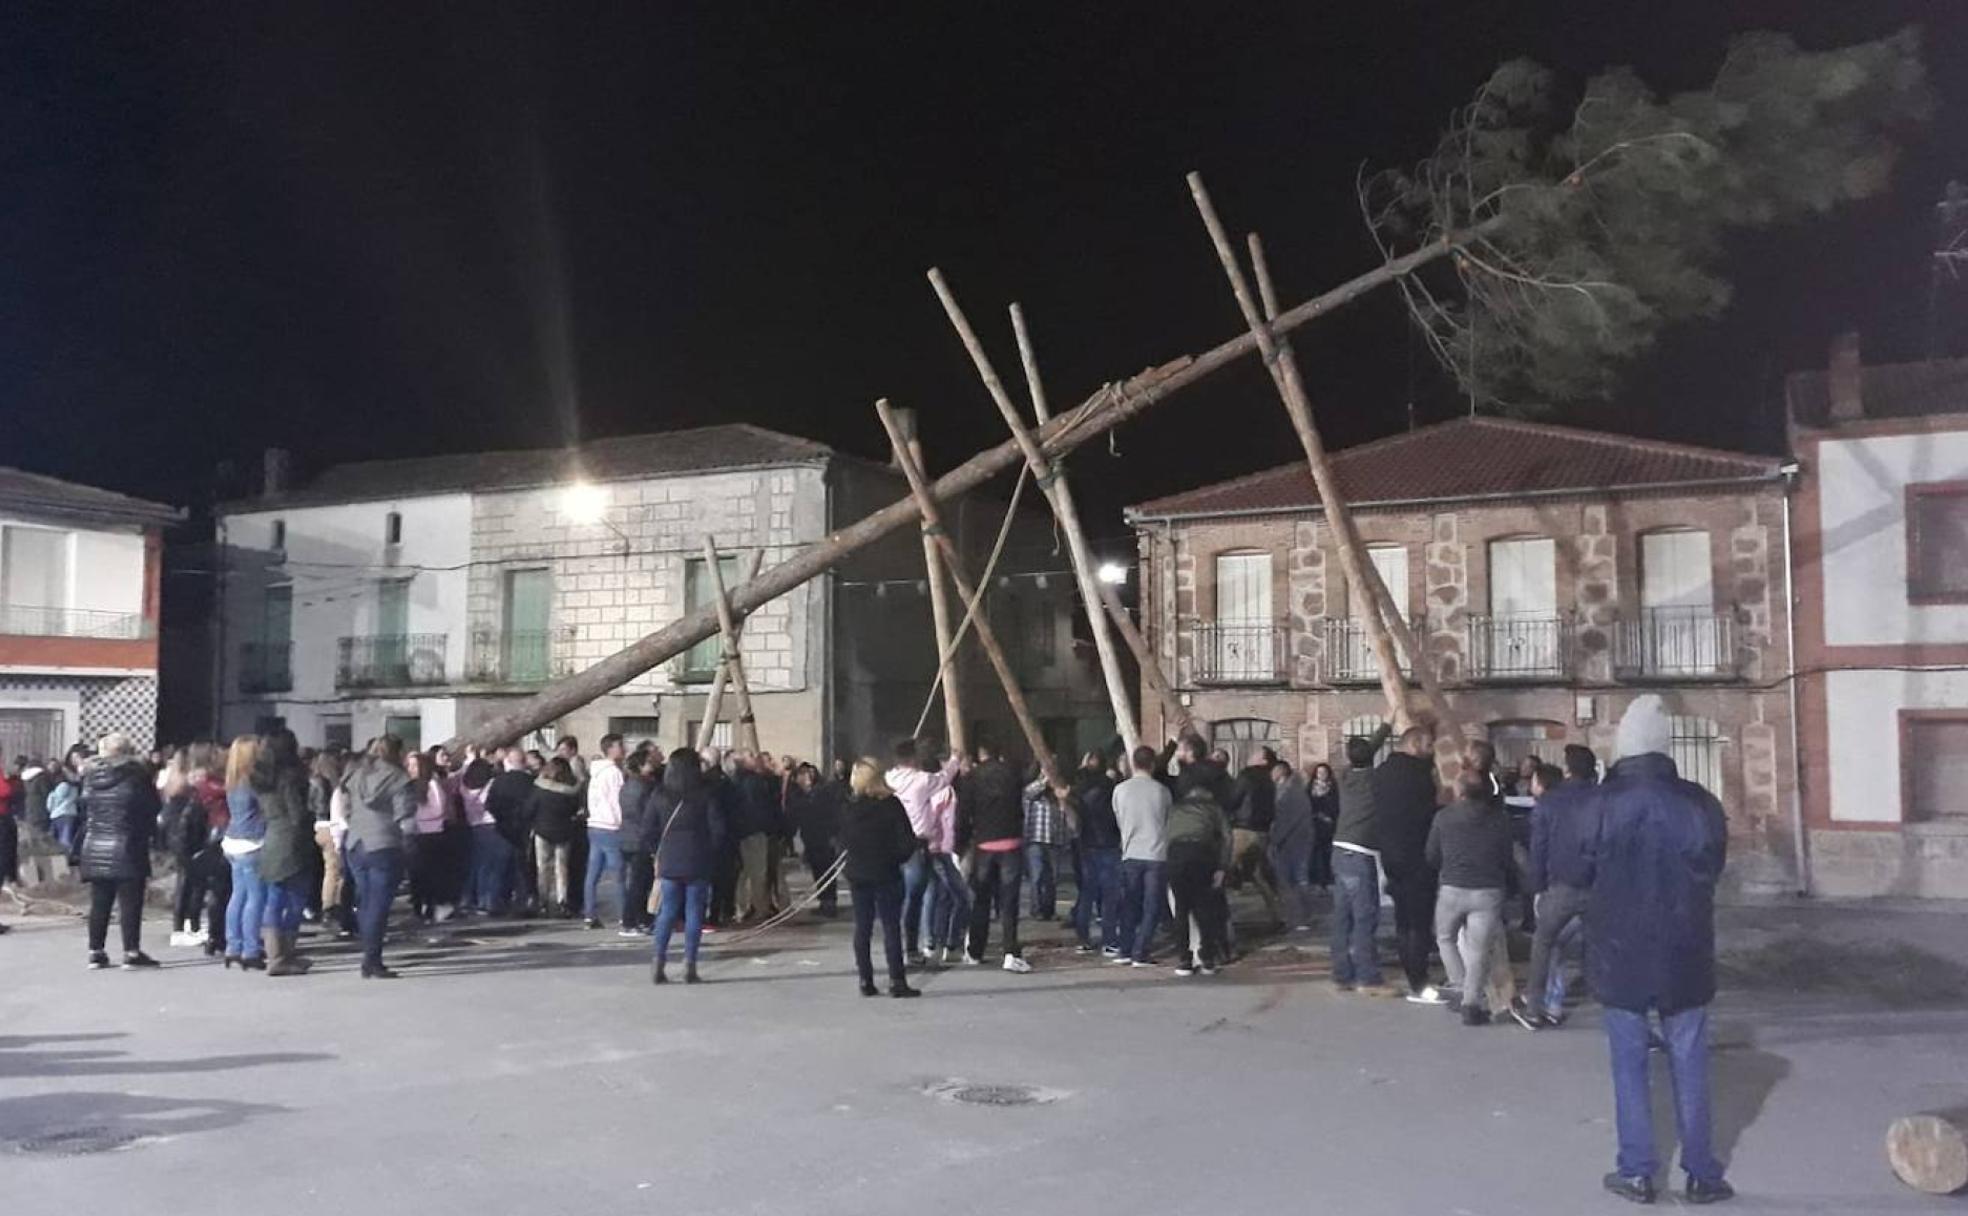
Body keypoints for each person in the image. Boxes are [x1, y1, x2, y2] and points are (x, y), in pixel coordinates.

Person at [1588, 696, 1733, 1206]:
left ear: (1623, 747)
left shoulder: (1600, 804)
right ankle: (1702, 1173)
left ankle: (1636, 1171)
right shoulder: (1700, 803)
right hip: (1685, 945)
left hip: (1619, 948)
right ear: (1665, 747)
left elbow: (1579, 871)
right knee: (1690, 1059)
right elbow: (1714, 865)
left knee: (1628, 1064)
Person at [1515, 748, 1599, 1030]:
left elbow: (1539, 849)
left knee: (1544, 942)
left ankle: (1535, 1008)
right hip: (1600, 885)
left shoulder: (1550, 803)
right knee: (1605, 945)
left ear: (1567, 770)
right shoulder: (1605, 799)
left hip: (1561, 885)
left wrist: (1536, 887)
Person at [1426, 763, 1515, 1026]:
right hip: (1488, 891)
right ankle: (1470, 1003)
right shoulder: (1500, 819)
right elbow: (1507, 857)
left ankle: (1459, 984)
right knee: (1479, 950)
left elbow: (1431, 855)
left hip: (1453, 887)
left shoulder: (1443, 817)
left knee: (1444, 938)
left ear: (1460, 792)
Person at [74, 733, 160, 969]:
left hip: (95, 843)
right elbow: (152, 806)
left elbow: (82, 809)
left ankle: (96, 951)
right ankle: (131, 952)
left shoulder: (90, 777)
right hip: (128, 843)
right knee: (130, 902)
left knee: (99, 901)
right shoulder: (136, 776)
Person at [1374, 725, 1446, 1004]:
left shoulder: (1382, 773)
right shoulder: (1419, 776)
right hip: (1418, 856)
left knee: (1403, 920)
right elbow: (1427, 813)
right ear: (1415, 744)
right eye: (1429, 745)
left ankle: (1412, 975)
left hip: (1391, 856)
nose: (1432, 751)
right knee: (1418, 921)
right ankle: (1420, 982)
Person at [838, 759, 922, 998]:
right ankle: (897, 980)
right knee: (890, 927)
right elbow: (906, 841)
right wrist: (898, 857)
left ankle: (865, 979)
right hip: (886, 872)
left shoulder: (848, 808)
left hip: (858, 873)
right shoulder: (891, 805)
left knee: (862, 927)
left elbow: (842, 841)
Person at [645, 748, 725, 985]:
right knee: (694, 912)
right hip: (698, 858)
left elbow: (648, 829)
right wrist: (710, 852)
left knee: (667, 911)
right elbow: (718, 830)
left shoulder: (659, 794)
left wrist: (656, 852)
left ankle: (658, 961)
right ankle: (690, 963)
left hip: (669, 857)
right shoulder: (705, 794)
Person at [342, 736, 417, 978]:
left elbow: (346, 808)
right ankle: (372, 959)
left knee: (365, 900)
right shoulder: (398, 778)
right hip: (384, 842)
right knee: (379, 904)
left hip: (355, 842)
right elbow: (404, 814)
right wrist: (410, 843)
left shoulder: (355, 775)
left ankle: (368, 951)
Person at [1330, 724, 1392, 991]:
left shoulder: (1345, 777)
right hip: (1360, 852)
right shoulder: (1376, 780)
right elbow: (1368, 754)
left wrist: (1385, 728)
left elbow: (1365, 754)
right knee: (1365, 916)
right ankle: (1367, 975)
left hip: (1339, 850)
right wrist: (1388, 724)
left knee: (1342, 916)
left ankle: (1342, 973)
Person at [885, 738, 959, 962]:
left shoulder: (889, 778)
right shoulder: (922, 780)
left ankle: (905, 946)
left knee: (903, 896)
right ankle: (912, 948)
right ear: (911, 758)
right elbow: (944, 778)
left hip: (894, 842)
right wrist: (956, 760)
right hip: (917, 843)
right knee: (915, 897)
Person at [959, 744, 1030, 973]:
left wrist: (960, 845)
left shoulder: (972, 778)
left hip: (984, 843)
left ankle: (975, 951)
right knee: (1009, 902)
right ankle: (1010, 951)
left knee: (981, 899)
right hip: (1011, 842)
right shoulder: (1012, 774)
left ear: (979, 755)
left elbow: (963, 814)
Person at [253, 729, 316, 976]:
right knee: (296, 898)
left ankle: (274, 954)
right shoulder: (290, 777)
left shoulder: (260, 778)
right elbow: (297, 813)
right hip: (292, 838)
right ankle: (283, 954)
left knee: (274, 898)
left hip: (272, 835)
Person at [1164, 774, 1231, 976]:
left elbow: (1166, 835)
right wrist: (1222, 867)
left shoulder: (1175, 809)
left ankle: (1184, 959)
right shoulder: (1214, 808)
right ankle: (1207, 957)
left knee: (1181, 909)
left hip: (1176, 854)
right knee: (1204, 907)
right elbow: (1227, 837)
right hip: (1202, 853)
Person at [1113, 744, 1172, 967]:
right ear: (1153, 764)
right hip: (1156, 853)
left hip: (1130, 852)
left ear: (1132, 763)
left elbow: (1119, 819)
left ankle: (1124, 949)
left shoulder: (1120, 790)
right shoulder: (1162, 791)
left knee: (1129, 903)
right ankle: (1141, 951)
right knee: (1152, 905)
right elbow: (1167, 820)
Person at [221, 736, 270, 970]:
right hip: (253, 841)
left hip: (232, 839)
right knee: (255, 897)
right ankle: (251, 949)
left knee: (237, 895)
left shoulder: (232, 779)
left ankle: (233, 946)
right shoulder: (254, 781)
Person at [1223, 746, 1283, 926]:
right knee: (1259, 875)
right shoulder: (1269, 781)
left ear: (1264, 760)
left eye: (1255, 753)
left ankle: (1223, 922)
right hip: (1262, 831)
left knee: (1223, 872)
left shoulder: (1247, 775)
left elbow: (1233, 799)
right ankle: (1277, 916)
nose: (1251, 755)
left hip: (1243, 829)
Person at [1071, 750, 1121, 956]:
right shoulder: (1111, 787)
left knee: (1087, 893)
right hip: (1109, 842)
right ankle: (1109, 939)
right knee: (1110, 895)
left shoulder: (1078, 790)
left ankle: (1083, 938)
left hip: (1086, 843)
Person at [918, 779, 968, 965]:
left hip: (926, 846)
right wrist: (953, 847)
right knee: (960, 896)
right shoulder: (945, 792)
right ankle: (949, 943)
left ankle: (931, 941)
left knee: (933, 895)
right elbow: (949, 822)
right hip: (942, 849)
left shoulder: (919, 789)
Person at [582, 734, 628, 929]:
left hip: (595, 824)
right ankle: (624, 915)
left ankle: (590, 914)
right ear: (611, 749)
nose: (624, 749)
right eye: (620, 746)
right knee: (618, 873)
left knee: (593, 872)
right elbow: (618, 800)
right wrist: (621, 821)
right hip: (610, 825)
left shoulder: (596, 772)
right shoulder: (613, 773)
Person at [528, 758, 583, 917]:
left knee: (543, 868)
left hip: (542, 831)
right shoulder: (570, 791)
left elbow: (529, 809)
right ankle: (562, 901)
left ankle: (543, 902)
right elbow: (574, 810)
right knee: (562, 868)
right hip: (563, 832)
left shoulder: (539, 789)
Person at [486, 748, 538, 915]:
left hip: (502, 828)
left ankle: (495, 902)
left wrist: (501, 817)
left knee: (499, 868)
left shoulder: (499, 781)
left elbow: (490, 804)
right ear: (523, 762)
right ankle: (522, 903)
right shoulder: (532, 782)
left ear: (508, 761)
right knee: (523, 868)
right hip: (524, 829)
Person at [786, 762, 840, 918]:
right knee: (817, 869)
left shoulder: (822, 793)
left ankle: (829, 902)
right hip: (810, 837)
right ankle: (824, 900)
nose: (807, 778)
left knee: (826, 869)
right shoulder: (798, 796)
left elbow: (832, 814)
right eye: (802, 775)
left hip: (824, 837)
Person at [1268, 759, 1316, 931]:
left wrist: (1275, 839)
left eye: (1273, 771)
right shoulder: (1289, 790)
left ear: (1280, 772)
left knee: (1293, 880)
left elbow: (1286, 821)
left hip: (1294, 842)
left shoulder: (1290, 792)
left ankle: (1299, 918)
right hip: (1295, 841)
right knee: (1295, 879)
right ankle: (1297, 916)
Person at [309, 750, 353, 938]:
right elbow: (326, 807)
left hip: (319, 826)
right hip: (329, 826)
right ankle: (331, 905)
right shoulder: (329, 784)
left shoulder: (314, 780)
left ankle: (330, 905)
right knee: (335, 869)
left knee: (331, 869)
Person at [618, 745, 660, 936]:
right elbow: (646, 815)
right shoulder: (644, 787)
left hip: (628, 837)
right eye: (649, 763)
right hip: (639, 840)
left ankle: (641, 919)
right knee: (639, 883)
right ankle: (631, 921)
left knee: (639, 882)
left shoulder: (628, 785)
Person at [1021, 772, 1067, 922]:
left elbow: (1063, 815)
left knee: (1052, 878)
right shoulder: (1034, 792)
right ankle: (1036, 910)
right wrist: (1044, 780)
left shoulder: (1057, 793)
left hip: (1054, 841)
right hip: (1036, 839)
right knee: (1037, 876)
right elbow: (1027, 793)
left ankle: (1050, 910)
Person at [1307, 762, 1339, 889]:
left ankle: (1327, 879)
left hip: (1329, 826)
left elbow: (1336, 805)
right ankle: (1315, 880)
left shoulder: (1333, 788)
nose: (1322, 775)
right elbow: (1307, 806)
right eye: (1319, 772)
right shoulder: (1310, 789)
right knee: (1314, 853)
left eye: (1324, 772)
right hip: (1314, 825)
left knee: (1327, 853)